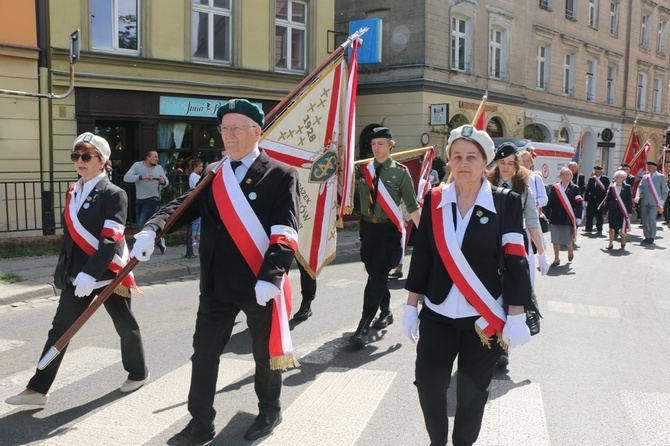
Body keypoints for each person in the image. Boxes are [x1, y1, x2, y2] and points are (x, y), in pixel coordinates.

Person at [131, 99, 299, 445]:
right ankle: (200, 423)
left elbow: (285, 231)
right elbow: (184, 206)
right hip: (216, 284)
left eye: (236, 127)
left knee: (264, 353)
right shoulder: (215, 172)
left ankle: (269, 408)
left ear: (257, 131)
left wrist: (272, 275)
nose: (228, 134)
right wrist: (152, 227)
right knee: (204, 353)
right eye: (224, 128)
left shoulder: (281, 174)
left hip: (258, 282)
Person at [402, 125, 533, 446]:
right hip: (437, 314)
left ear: (485, 162)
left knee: (472, 394)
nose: (464, 163)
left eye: (471, 157)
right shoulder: (434, 200)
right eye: (457, 156)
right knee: (429, 383)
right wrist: (409, 305)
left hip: (483, 320)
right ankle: (437, 441)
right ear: (448, 161)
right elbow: (423, 256)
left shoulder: (506, 204)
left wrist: (516, 313)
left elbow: (516, 259)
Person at [6, 133, 149, 407]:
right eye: (76, 156)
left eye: (86, 156)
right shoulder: (73, 191)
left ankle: (139, 373)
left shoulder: (114, 194)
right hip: (77, 275)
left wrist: (91, 272)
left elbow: (111, 238)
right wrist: (70, 271)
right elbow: (71, 237)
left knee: (125, 326)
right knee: (60, 330)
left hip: (107, 274)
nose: (80, 161)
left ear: (102, 161)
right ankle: (37, 390)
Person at [351, 126, 420, 346]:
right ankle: (386, 311)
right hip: (367, 229)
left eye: (380, 143)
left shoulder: (400, 172)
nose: (376, 148)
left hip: (388, 231)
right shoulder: (364, 170)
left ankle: (364, 323)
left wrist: (428, 236)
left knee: (377, 275)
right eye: (373, 144)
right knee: (375, 275)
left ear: (391, 145)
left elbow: (412, 206)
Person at [123, 149, 169, 253]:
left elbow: (166, 182)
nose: (157, 159)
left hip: (153, 199)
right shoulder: (137, 166)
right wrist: (142, 177)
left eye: (157, 157)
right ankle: (159, 241)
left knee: (141, 224)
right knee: (146, 225)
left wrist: (163, 181)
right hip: (139, 199)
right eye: (155, 157)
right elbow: (126, 178)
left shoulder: (159, 168)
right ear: (148, 158)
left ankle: (142, 249)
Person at [545, 167, 583, 266]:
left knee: (567, 239)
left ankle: (570, 250)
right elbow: (550, 202)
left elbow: (579, 203)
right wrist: (546, 215)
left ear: (571, 176)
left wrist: (578, 217)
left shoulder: (575, 188)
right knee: (555, 240)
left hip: (568, 218)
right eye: (563, 174)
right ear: (560, 176)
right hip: (556, 217)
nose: (565, 176)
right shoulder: (555, 187)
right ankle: (556, 258)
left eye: (567, 174)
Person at [635, 160, 669, 244]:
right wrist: (639, 195)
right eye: (648, 167)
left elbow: (665, 190)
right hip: (645, 201)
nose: (648, 168)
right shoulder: (645, 177)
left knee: (651, 218)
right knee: (645, 219)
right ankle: (647, 236)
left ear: (655, 168)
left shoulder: (661, 177)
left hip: (655, 202)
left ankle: (652, 235)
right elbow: (640, 187)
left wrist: (661, 201)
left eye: (650, 167)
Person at [605, 170, 634, 250]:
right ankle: (610, 243)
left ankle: (623, 241)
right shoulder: (612, 187)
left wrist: (630, 211)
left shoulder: (627, 187)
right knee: (612, 227)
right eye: (615, 177)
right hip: (613, 210)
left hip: (623, 210)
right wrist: (604, 211)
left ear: (623, 178)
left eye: (617, 177)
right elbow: (608, 200)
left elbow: (629, 200)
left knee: (622, 227)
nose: (616, 179)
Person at [583, 165, 609, 234]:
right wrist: (585, 200)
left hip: (600, 200)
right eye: (595, 171)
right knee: (589, 215)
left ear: (601, 172)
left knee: (599, 215)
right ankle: (588, 228)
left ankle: (599, 228)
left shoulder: (605, 179)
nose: (596, 173)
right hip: (591, 200)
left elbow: (607, 189)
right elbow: (587, 190)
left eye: (598, 171)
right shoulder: (591, 179)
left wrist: (606, 200)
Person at [188, 159, 204, 252]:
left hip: (199, 198)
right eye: (200, 166)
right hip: (196, 198)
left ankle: (198, 237)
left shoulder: (197, 176)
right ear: (195, 167)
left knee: (199, 221)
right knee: (196, 221)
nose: (202, 168)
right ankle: (193, 238)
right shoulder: (193, 176)